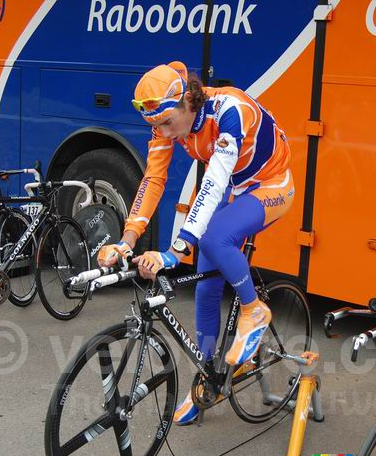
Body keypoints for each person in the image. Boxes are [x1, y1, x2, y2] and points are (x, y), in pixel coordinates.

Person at [98, 61, 294, 425]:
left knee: (216, 237)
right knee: (205, 291)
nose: (164, 133)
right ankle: (207, 379)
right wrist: (127, 240)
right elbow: (152, 181)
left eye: (167, 123)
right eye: (155, 126)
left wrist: (177, 249)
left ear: (189, 100)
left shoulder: (229, 111)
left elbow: (214, 181)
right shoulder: (167, 123)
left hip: (270, 184)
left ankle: (254, 311)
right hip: (234, 186)